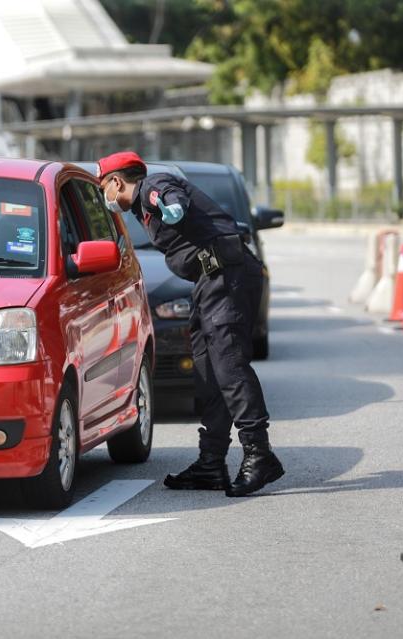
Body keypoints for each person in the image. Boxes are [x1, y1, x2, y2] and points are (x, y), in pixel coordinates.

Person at [97, 151, 284, 497]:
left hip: (228, 276)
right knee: (207, 370)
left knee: (229, 365)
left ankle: (259, 454)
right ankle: (211, 462)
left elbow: (171, 196)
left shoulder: (153, 186)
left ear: (117, 182)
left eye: (103, 188)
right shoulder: (140, 206)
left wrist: (174, 208)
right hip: (209, 281)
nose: (105, 197)